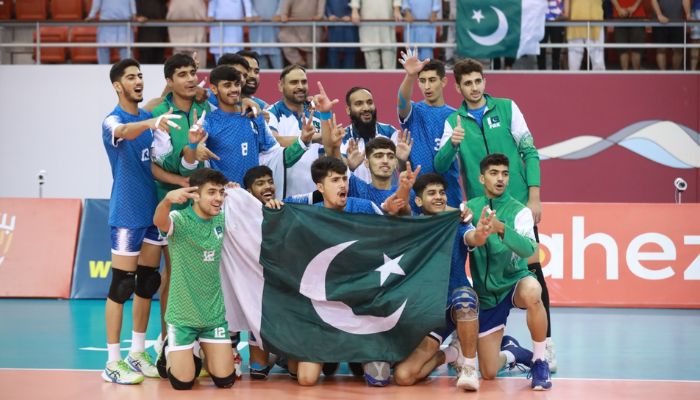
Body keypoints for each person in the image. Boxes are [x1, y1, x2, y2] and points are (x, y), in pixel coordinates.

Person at [434, 58, 556, 372]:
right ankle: (485, 341)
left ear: (484, 81)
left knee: (532, 274)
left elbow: (529, 150)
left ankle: (547, 345)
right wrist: (452, 145)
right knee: (479, 271)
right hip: (480, 210)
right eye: (468, 83)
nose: (474, 88)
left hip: (516, 208)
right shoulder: (454, 121)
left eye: (478, 81)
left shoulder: (507, 108)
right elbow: (440, 164)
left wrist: (534, 196)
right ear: (458, 87)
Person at [265, 156, 407, 387]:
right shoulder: (308, 212)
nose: (342, 184)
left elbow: (394, 235)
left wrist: (390, 214)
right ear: (320, 187)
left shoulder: (364, 208)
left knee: (379, 379)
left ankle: (357, 353)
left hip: (361, 307)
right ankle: (302, 355)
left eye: (344, 179)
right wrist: (271, 207)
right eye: (335, 180)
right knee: (306, 379)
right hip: (323, 308)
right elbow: (278, 209)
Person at [100, 58, 178, 384]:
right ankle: (112, 361)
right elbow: (125, 132)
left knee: (147, 282)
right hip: (126, 213)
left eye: (140, 76)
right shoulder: (112, 120)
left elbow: (154, 165)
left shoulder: (150, 118)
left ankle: (136, 353)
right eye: (131, 77)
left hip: (151, 211)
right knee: (121, 285)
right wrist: (151, 123)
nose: (137, 80)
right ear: (118, 85)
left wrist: (182, 183)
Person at [393, 173, 491, 391]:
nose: (438, 197)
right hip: (430, 311)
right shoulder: (414, 227)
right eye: (431, 193)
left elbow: (472, 238)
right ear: (418, 201)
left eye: (441, 193)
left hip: (456, 302)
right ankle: (451, 353)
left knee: (464, 297)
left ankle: (468, 367)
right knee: (404, 376)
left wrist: (481, 234)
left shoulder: (457, 223)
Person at [466, 154, 552, 391]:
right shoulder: (470, 209)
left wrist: (502, 229)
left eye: (504, 173)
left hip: (514, 281)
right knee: (489, 371)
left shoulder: (519, 212)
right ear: (482, 178)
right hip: (486, 294)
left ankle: (539, 360)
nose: (500, 178)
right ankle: (513, 352)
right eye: (494, 173)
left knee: (533, 290)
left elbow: (530, 251)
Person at [152, 168, 236, 390]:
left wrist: (238, 195)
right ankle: (168, 348)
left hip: (213, 316)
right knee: (183, 383)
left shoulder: (222, 218)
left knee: (225, 380)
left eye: (221, 192)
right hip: (182, 317)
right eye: (211, 192)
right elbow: (159, 221)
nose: (218, 198)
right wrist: (167, 201)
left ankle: (199, 349)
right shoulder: (179, 220)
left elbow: (252, 218)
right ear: (195, 195)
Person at [202, 65, 310, 185]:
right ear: (214, 89)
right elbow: (201, 165)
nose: (234, 89)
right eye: (227, 85)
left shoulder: (255, 116)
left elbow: (276, 155)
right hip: (223, 198)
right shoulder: (208, 123)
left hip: (253, 199)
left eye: (237, 84)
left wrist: (302, 141)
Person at [397, 52, 461, 209]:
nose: (427, 86)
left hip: (449, 195)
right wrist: (410, 76)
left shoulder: (456, 116)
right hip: (417, 197)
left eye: (432, 80)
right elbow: (402, 101)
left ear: (443, 81)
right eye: (422, 81)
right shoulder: (413, 112)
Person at [267, 65, 323, 197]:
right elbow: (274, 141)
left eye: (304, 82)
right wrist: (311, 138)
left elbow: (325, 151)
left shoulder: (316, 114)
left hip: (314, 198)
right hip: (284, 200)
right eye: (294, 82)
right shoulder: (272, 113)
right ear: (281, 86)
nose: (300, 86)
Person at [339, 86, 401, 183]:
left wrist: (402, 160)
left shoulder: (390, 132)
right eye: (359, 104)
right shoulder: (341, 139)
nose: (366, 108)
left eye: (369, 102)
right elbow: (338, 178)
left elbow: (401, 167)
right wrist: (350, 168)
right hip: (356, 197)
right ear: (348, 110)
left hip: (388, 196)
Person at [351, 0, 402, 69]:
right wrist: (354, 11)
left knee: (389, 65)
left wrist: (397, 9)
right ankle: (372, 79)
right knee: (372, 66)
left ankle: (390, 79)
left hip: (387, 26)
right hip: (369, 27)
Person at [86, 0, 139, 64]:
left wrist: (134, 15)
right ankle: (102, 71)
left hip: (124, 24)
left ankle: (128, 72)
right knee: (103, 49)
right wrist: (91, 15)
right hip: (106, 23)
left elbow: (132, 2)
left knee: (126, 52)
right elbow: (97, 2)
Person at [277, 0, 326, 67]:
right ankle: (300, 63)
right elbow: (284, 12)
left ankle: (312, 70)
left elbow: (320, 13)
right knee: (282, 36)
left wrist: (319, 15)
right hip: (294, 25)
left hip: (312, 26)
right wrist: (284, 15)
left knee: (313, 51)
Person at [650, 0, 691, 70]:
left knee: (678, 49)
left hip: (677, 21)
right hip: (660, 21)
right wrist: (659, 15)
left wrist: (688, 14)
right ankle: (663, 75)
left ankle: (675, 74)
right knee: (661, 49)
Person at [565, 0, 606, 70]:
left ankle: (599, 79)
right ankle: (572, 79)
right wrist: (566, 13)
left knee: (598, 59)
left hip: (595, 19)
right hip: (575, 19)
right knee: (574, 60)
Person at [611, 0, 647, 70]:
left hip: (638, 16)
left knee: (637, 48)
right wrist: (618, 8)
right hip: (619, 15)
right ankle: (625, 75)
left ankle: (637, 76)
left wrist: (634, 7)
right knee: (622, 48)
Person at [249, 0, 284, 69]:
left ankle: (281, 77)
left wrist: (278, 14)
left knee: (276, 54)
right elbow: (248, 3)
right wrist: (253, 15)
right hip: (256, 25)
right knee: (259, 55)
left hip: (273, 25)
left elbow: (282, 2)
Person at [325, 0, 359, 68]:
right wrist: (329, 15)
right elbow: (325, 5)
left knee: (350, 50)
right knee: (333, 50)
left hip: (350, 27)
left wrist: (350, 16)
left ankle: (350, 75)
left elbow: (357, 5)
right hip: (334, 26)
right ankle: (332, 74)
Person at [135, 0, 168, 64]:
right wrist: (137, 16)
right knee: (145, 63)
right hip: (145, 36)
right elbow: (134, 12)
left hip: (160, 35)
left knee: (159, 63)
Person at [538, 0, 566, 70]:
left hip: (558, 19)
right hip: (542, 19)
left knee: (557, 49)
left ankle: (556, 73)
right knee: (540, 49)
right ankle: (541, 73)